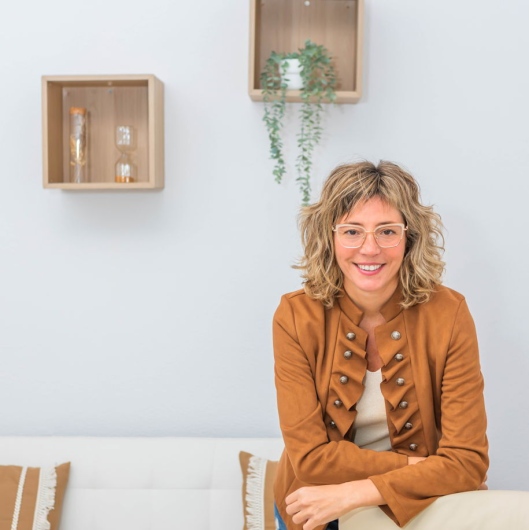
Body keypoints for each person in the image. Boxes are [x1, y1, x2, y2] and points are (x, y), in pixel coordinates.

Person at [272, 161, 488, 530]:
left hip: (415, 506)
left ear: (409, 237)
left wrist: (359, 492)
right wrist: (423, 467)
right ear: (329, 237)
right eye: (352, 231)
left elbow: (468, 462)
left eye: (387, 231)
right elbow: (310, 460)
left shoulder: (449, 312)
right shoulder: (294, 315)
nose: (369, 248)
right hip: (316, 508)